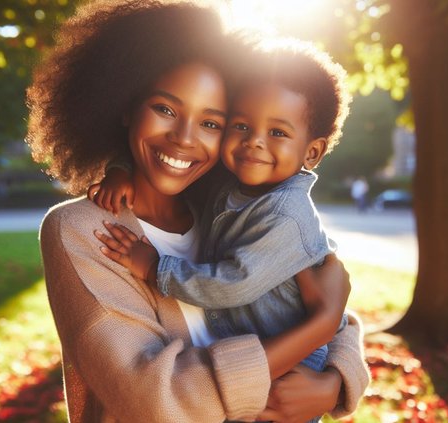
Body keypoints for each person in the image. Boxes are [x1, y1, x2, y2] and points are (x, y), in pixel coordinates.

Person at [27, 1, 370, 422]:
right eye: (166, 109)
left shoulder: (223, 206)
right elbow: (152, 400)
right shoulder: (80, 230)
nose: (184, 138)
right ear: (126, 106)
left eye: (211, 122)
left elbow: (324, 310)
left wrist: (333, 382)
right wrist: (316, 328)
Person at [91, 40, 350, 423]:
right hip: (243, 369)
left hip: (289, 367)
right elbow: (167, 158)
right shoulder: (229, 185)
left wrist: (154, 268)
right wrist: (118, 169)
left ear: (311, 153)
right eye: (241, 126)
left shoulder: (285, 216)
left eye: (277, 132)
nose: (254, 141)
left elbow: (233, 285)